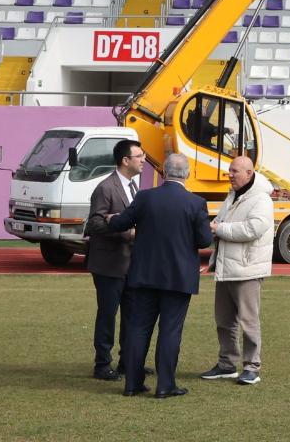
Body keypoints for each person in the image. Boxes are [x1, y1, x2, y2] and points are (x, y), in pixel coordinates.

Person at [106, 153, 213, 398]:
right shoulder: (195, 203)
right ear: (187, 174)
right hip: (178, 278)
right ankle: (166, 384)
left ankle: (132, 383)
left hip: (144, 274)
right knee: (170, 331)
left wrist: (109, 219)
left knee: (138, 329)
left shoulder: (145, 197)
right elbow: (204, 240)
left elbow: (121, 222)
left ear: (164, 172)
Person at [199, 155, 274, 386]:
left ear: (249, 173)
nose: (229, 175)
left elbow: (253, 229)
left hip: (247, 270)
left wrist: (220, 228)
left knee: (248, 321)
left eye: (234, 171)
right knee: (224, 320)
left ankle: (252, 367)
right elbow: (222, 224)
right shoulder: (233, 195)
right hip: (227, 267)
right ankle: (227, 364)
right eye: (230, 171)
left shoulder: (261, 199)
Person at [84, 139, 146, 381]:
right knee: (108, 315)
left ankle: (127, 362)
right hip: (109, 265)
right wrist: (127, 232)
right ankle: (102, 364)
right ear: (125, 160)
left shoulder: (133, 187)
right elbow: (94, 223)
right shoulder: (106, 188)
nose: (143, 159)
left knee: (132, 315)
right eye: (139, 156)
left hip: (131, 265)